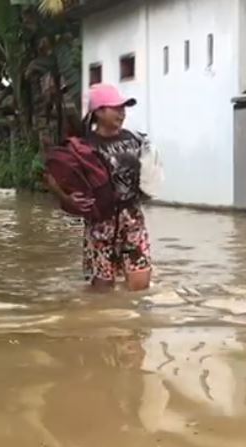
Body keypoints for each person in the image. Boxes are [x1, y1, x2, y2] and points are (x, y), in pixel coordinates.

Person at [45, 83, 152, 291]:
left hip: (133, 220)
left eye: (124, 108)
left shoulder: (135, 140)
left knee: (140, 285)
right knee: (103, 289)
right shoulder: (82, 147)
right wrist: (66, 199)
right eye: (117, 108)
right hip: (101, 224)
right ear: (100, 112)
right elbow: (51, 178)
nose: (122, 113)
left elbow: (148, 176)